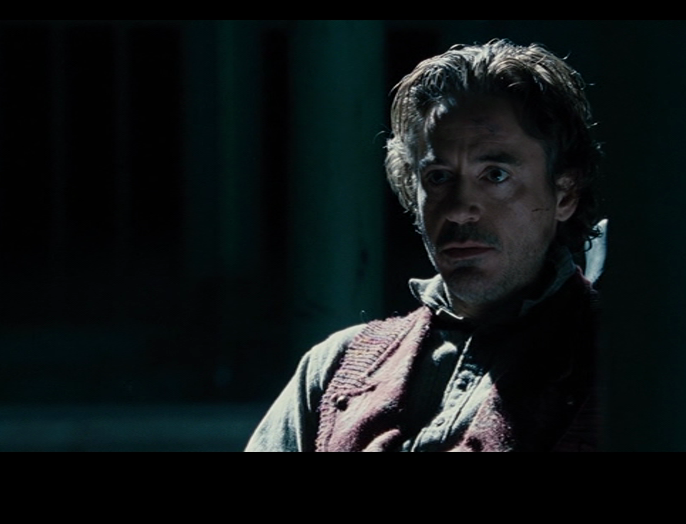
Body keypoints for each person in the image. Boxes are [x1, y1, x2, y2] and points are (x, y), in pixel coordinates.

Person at [246, 39, 604, 452]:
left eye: (495, 175)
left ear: (564, 194)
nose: (460, 210)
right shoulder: (335, 367)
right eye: (438, 177)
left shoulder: (625, 367)